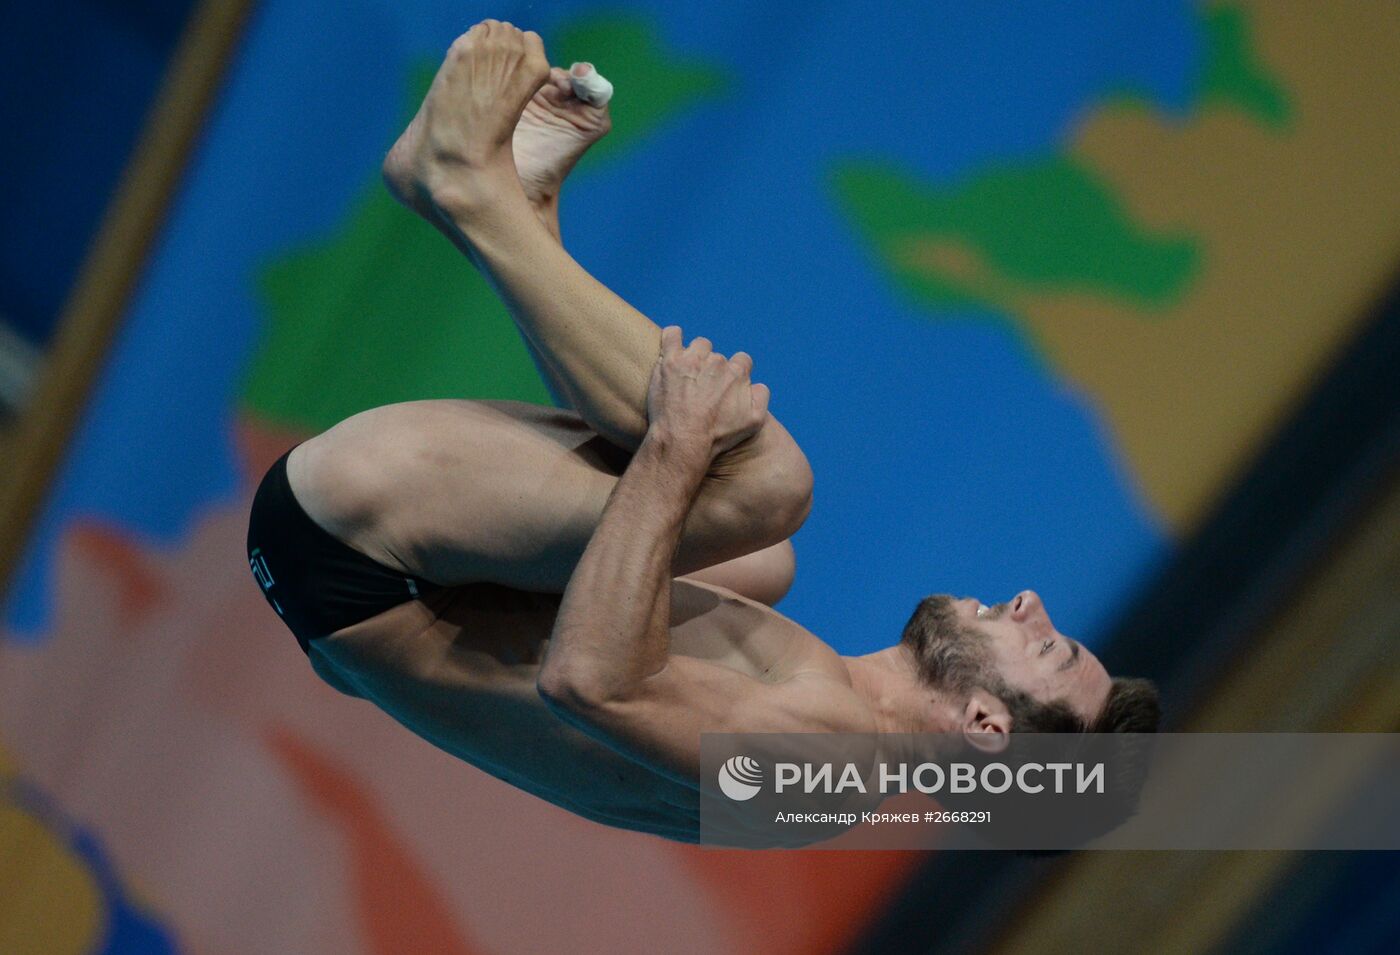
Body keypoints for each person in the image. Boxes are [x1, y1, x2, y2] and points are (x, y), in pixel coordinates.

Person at [246, 20, 1159, 844]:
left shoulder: (830, 767)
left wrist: (679, 447)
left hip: (361, 553)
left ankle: (467, 188)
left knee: (764, 486)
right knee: (763, 555)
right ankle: (513, 216)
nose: (1034, 603)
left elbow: (591, 683)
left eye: (1047, 648)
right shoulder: (828, 750)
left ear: (986, 728)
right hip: (358, 593)